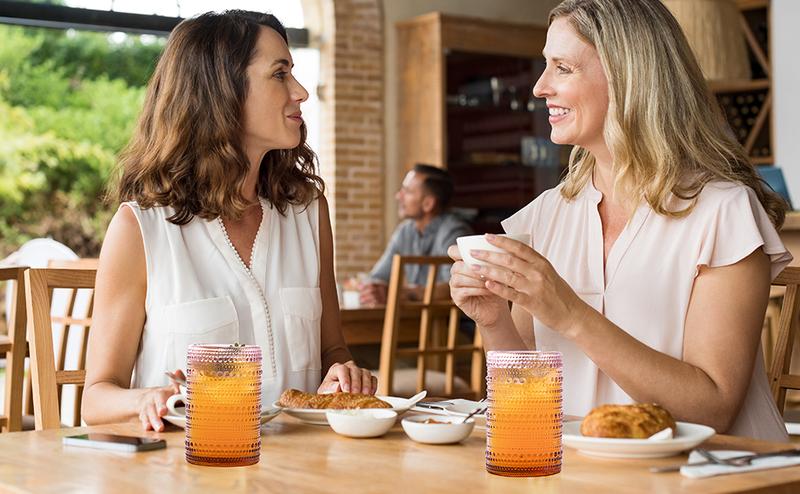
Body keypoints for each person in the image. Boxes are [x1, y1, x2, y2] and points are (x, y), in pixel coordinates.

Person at [449, 0, 792, 442]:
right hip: (581, 472)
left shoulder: (724, 212)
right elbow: (523, 403)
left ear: (628, 77)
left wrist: (569, 312)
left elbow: (713, 411)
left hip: (715, 476)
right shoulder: (545, 216)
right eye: (545, 66)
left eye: (562, 68)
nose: (539, 87)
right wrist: (494, 320)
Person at [82, 10, 376, 432]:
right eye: (280, 75)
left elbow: (332, 348)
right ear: (221, 91)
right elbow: (97, 397)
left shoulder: (309, 211)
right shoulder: (140, 229)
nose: (301, 92)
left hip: (304, 468)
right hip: (188, 469)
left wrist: (344, 373)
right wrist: (147, 398)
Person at [359, 164, 472, 306]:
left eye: (407, 191)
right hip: (416, 320)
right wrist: (373, 289)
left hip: (447, 324)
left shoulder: (454, 232)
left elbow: (455, 286)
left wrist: (405, 293)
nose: (398, 196)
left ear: (428, 203)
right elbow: (378, 276)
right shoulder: (404, 231)